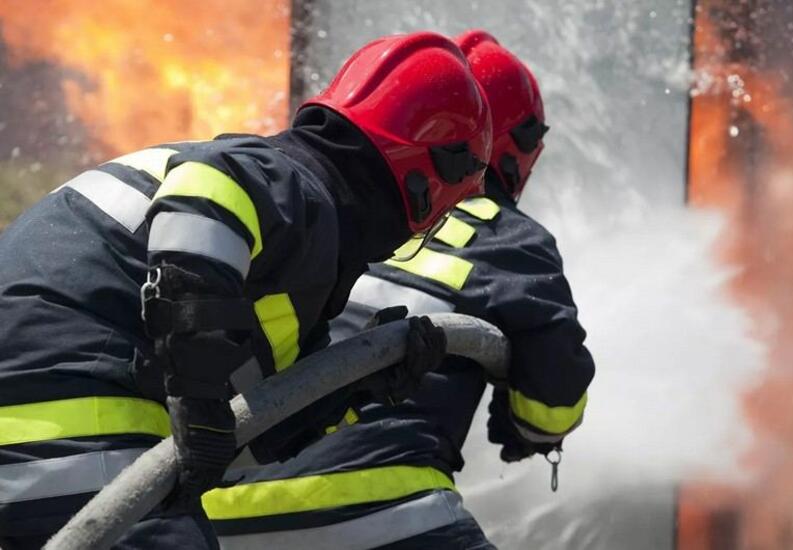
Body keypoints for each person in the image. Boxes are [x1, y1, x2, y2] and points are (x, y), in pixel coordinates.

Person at [0, 31, 492, 549]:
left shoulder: (273, 255)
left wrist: (358, 388)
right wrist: (197, 394)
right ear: (429, 179)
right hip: (67, 421)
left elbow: (238, 441)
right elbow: (207, 194)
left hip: (37, 438)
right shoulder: (290, 183)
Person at [208, 30, 595, 550]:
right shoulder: (508, 238)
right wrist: (523, 423)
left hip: (215, 512)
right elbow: (552, 407)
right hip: (375, 507)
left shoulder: (324, 210)